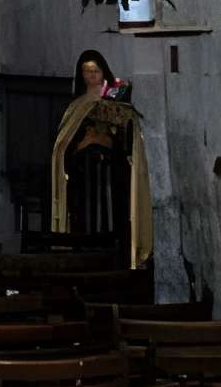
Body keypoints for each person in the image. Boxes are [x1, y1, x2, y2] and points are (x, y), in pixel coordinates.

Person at [48, 48, 152, 269]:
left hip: (111, 175)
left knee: (114, 214)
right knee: (87, 216)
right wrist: (83, 143)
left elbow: (126, 135)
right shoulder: (76, 105)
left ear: (103, 71)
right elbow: (65, 141)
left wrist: (108, 139)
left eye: (95, 70)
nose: (92, 75)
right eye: (87, 71)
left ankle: (116, 250)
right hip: (84, 176)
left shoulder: (116, 96)